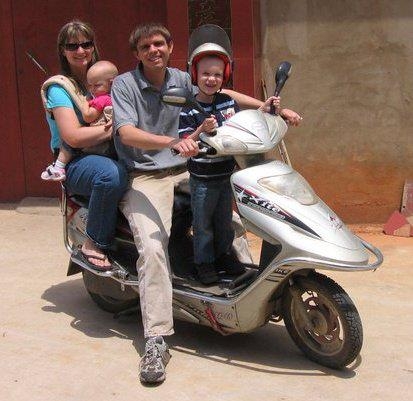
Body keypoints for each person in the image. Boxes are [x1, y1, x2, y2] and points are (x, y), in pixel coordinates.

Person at [112, 22, 301, 384]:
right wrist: (171, 143)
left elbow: (223, 90)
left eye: (160, 44)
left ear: (170, 48)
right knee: (152, 248)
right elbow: (126, 133)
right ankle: (156, 338)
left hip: (189, 168)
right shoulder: (125, 85)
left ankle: (237, 298)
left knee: (234, 220)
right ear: (136, 53)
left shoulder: (182, 79)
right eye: (146, 46)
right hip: (147, 174)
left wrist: (268, 107)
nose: (154, 50)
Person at [178, 53, 281, 284]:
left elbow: (244, 125)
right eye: (205, 73)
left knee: (224, 221)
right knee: (203, 224)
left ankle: (224, 256)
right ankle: (203, 263)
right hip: (202, 178)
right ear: (195, 75)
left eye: (217, 74)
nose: (211, 79)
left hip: (226, 174)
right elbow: (186, 142)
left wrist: (266, 109)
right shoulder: (189, 108)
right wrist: (201, 130)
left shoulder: (228, 102)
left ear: (224, 76)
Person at [43, 20, 127, 269]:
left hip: (110, 151)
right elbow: (73, 138)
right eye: (72, 46)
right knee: (110, 175)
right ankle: (94, 241)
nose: (80, 51)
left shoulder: (108, 79)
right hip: (77, 160)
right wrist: (110, 130)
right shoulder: (60, 88)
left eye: (86, 44)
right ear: (63, 50)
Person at [41, 60, 118, 181]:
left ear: (111, 83)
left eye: (97, 85)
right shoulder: (117, 97)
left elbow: (88, 116)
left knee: (68, 145)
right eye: (90, 85)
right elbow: (73, 137)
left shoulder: (102, 99)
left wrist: (84, 103)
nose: (92, 89)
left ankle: (59, 166)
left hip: (96, 143)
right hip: (105, 145)